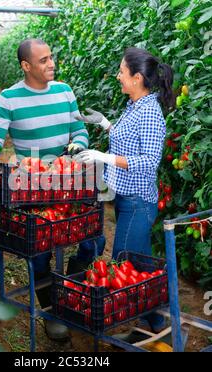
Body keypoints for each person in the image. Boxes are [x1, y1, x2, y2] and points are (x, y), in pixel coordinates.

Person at [0, 39, 105, 341]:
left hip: (68, 184)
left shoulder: (65, 91)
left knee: (94, 240)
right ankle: (53, 310)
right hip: (32, 190)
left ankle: (69, 283)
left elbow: (79, 131)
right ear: (26, 66)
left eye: (51, 58)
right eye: (43, 60)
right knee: (38, 252)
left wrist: (77, 146)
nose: (52, 64)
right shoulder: (8, 99)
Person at [75, 47, 175, 333]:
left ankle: (150, 320)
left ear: (138, 77)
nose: (118, 76)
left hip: (138, 201)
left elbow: (149, 161)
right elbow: (126, 139)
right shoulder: (135, 105)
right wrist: (106, 124)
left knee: (122, 260)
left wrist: (103, 157)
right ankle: (156, 321)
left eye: (122, 71)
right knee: (140, 262)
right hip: (124, 198)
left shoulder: (149, 113)